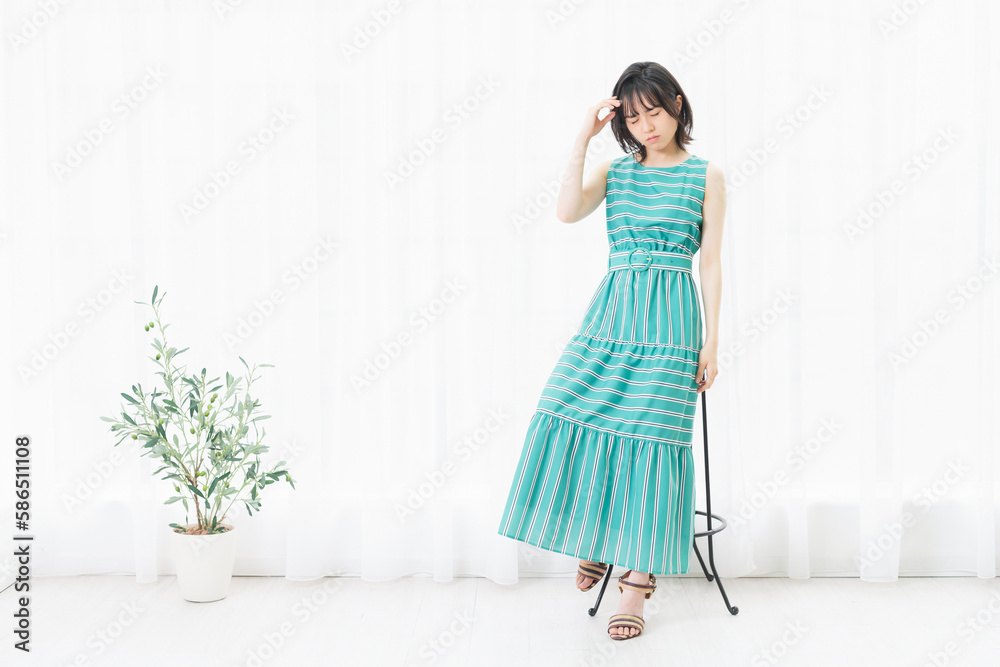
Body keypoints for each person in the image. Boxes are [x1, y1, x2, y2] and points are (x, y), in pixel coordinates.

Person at [496, 61, 726, 641]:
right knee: (561, 405)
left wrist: (711, 343)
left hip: (672, 323)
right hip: (614, 313)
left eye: (655, 112)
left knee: (652, 441)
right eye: (635, 117)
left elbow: (711, 263)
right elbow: (566, 212)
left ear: (677, 104)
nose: (647, 126)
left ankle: (635, 587)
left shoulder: (705, 176)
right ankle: (596, 537)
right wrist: (582, 138)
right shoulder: (616, 173)